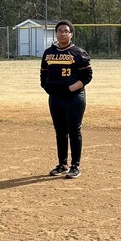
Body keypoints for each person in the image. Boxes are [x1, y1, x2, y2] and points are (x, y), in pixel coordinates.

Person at [39, 20, 92, 179]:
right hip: (55, 98)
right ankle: (62, 164)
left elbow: (87, 77)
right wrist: (48, 88)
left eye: (66, 31)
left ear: (71, 34)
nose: (62, 33)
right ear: (56, 33)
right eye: (60, 31)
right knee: (60, 131)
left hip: (74, 98)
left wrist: (69, 89)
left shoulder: (79, 53)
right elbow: (43, 74)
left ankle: (75, 166)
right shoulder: (49, 53)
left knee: (74, 131)